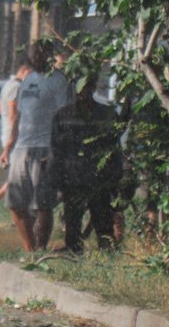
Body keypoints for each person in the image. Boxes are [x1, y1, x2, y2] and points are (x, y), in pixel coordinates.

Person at [0, 40, 73, 251]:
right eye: (34, 53)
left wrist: (56, 150)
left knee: (42, 204)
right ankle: (30, 250)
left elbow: (64, 116)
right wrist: (8, 148)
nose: (36, 57)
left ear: (49, 57)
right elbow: (18, 116)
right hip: (22, 148)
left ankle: (40, 250)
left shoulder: (58, 80)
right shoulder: (28, 80)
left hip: (45, 147)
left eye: (41, 53)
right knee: (15, 204)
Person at [51, 74, 122, 252]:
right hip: (74, 179)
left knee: (104, 227)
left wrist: (114, 180)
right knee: (72, 225)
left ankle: (107, 253)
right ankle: (74, 251)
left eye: (88, 86)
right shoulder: (63, 115)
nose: (84, 91)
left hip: (99, 179)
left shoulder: (107, 114)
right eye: (81, 87)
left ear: (93, 87)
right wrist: (58, 181)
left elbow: (114, 149)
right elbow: (57, 150)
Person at [0, 58, 33, 223]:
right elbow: (13, 115)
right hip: (15, 138)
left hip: (10, 137)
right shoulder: (17, 87)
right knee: (19, 178)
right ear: (24, 70)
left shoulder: (8, 85)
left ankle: (1, 207)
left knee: (19, 178)